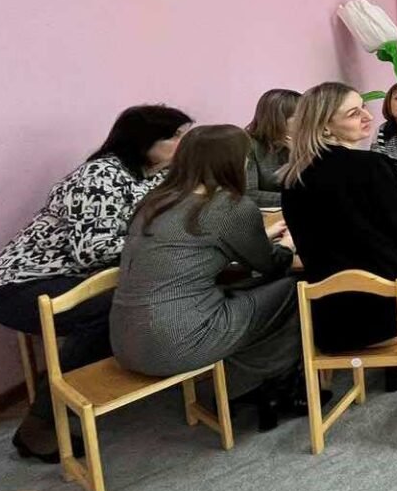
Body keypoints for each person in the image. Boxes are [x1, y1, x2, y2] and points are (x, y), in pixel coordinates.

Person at [0, 104, 192, 461]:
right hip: (20, 284)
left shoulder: (156, 175)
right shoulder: (98, 176)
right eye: (174, 137)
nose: (184, 144)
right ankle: (42, 423)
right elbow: (93, 251)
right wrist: (161, 243)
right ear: (143, 142)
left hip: (75, 277)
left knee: (143, 296)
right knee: (116, 308)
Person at [111, 125, 305, 430]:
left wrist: (260, 236)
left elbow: (193, 250)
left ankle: (256, 383)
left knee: (245, 290)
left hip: (125, 342)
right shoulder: (228, 206)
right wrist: (287, 244)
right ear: (231, 162)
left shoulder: (156, 201)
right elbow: (270, 264)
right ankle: (267, 384)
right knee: (294, 289)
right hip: (179, 342)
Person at [280, 83, 397, 361]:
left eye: (363, 107)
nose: (368, 116)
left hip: (332, 327)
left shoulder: (292, 180)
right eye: (354, 113)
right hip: (395, 315)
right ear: (325, 127)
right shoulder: (372, 166)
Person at [244, 88, 298, 208]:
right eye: (299, 117)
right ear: (277, 120)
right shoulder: (248, 144)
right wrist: (298, 199)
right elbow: (248, 194)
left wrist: (300, 156)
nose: (307, 122)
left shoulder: (309, 142)